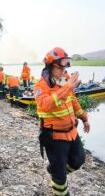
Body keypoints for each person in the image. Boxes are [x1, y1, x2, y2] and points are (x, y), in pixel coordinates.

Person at [34, 47, 90, 196]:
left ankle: (54, 170)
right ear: (51, 66)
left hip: (71, 132)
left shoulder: (65, 82)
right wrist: (68, 87)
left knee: (78, 159)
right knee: (60, 178)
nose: (64, 70)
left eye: (65, 66)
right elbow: (45, 104)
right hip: (54, 136)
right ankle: (59, 181)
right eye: (61, 67)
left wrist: (84, 118)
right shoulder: (41, 85)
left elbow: (74, 102)